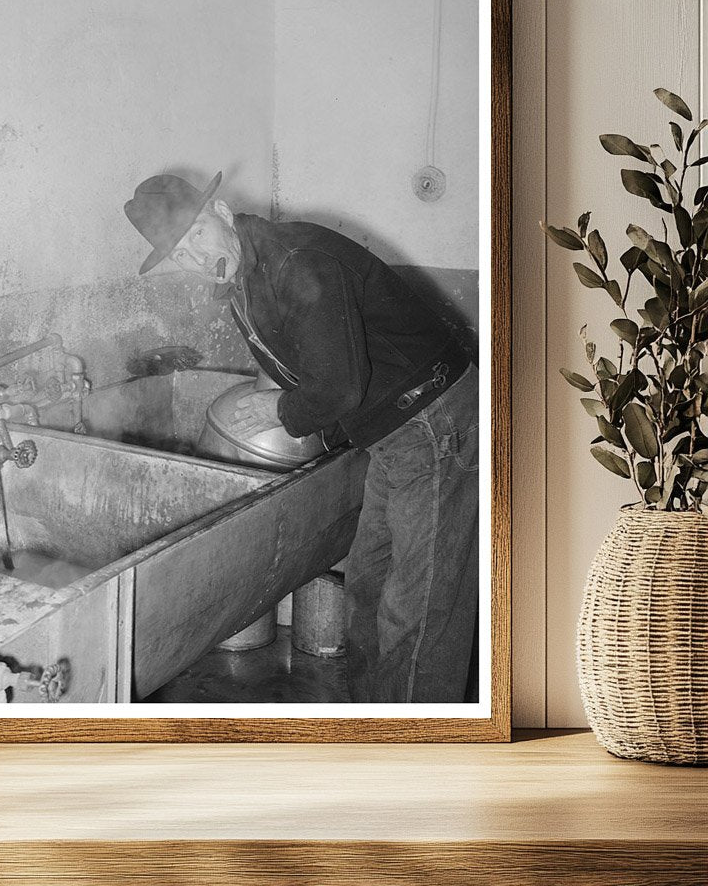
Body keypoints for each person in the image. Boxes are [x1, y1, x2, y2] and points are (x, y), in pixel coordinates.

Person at [124, 170, 479, 704]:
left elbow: (338, 389)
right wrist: (266, 413)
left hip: (433, 419)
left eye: (196, 233)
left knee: (419, 604)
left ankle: (417, 739)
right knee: (369, 586)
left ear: (220, 212)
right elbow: (286, 360)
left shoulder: (296, 261)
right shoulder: (243, 273)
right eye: (179, 253)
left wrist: (276, 410)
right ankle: (377, 720)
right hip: (390, 428)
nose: (195, 257)